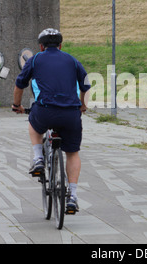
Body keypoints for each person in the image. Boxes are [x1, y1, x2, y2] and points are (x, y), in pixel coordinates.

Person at [12, 28, 90, 213]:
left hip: (45, 111)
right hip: (71, 114)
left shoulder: (36, 59)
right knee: (72, 153)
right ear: (61, 45)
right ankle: (72, 196)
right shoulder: (72, 60)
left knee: (33, 123)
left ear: (41, 46)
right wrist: (82, 105)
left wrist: (16, 105)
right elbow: (86, 84)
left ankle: (38, 158)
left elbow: (19, 84)